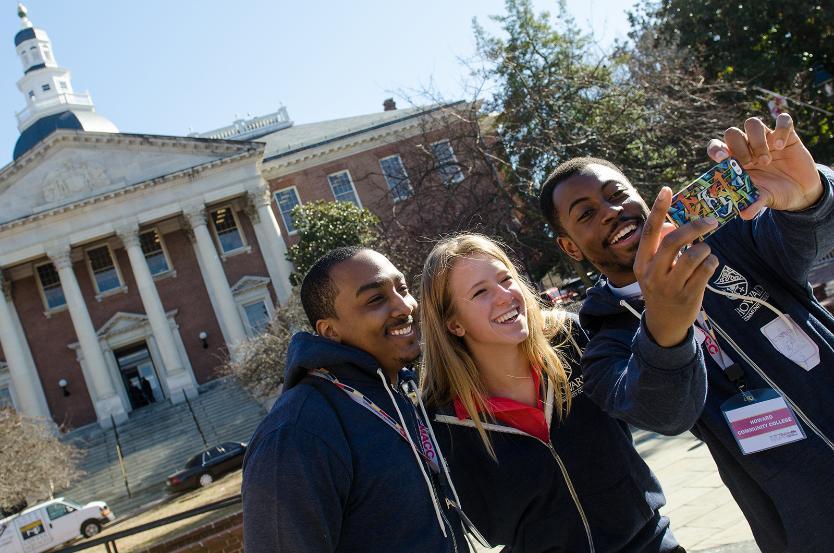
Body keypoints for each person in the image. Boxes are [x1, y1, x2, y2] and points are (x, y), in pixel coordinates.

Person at [539, 113, 834, 553]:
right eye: (586, 214)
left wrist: (812, 196)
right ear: (569, 247)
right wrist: (666, 328)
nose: (611, 212)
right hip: (808, 525)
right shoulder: (604, 342)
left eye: (617, 194)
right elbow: (663, 412)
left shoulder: (730, 235)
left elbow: (814, 238)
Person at [420, 233, 701, 552]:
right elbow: (485, 525)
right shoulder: (442, 417)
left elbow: (654, 407)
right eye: (481, 292)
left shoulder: (574, 338)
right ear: (454, 323)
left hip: (650, 542)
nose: (504, 296)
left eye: (505, 279)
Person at [241, 246, 466, 552]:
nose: (404, 306)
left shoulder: (402, 392)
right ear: (330, 331)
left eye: (402, 288)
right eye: (376, 299)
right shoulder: (295, 432)